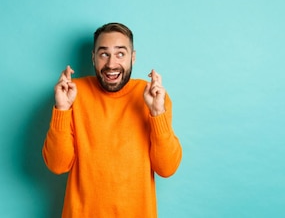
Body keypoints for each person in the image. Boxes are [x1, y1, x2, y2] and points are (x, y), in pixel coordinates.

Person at [42, 22, 182, 217]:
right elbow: (57, 165)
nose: (111, 64)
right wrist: (62, 109)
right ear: (93, 58)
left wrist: (157, 112)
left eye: (120, 54)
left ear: (133, 57)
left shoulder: (152, 96)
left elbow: (167, 168)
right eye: (104, 54)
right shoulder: (73, 93)